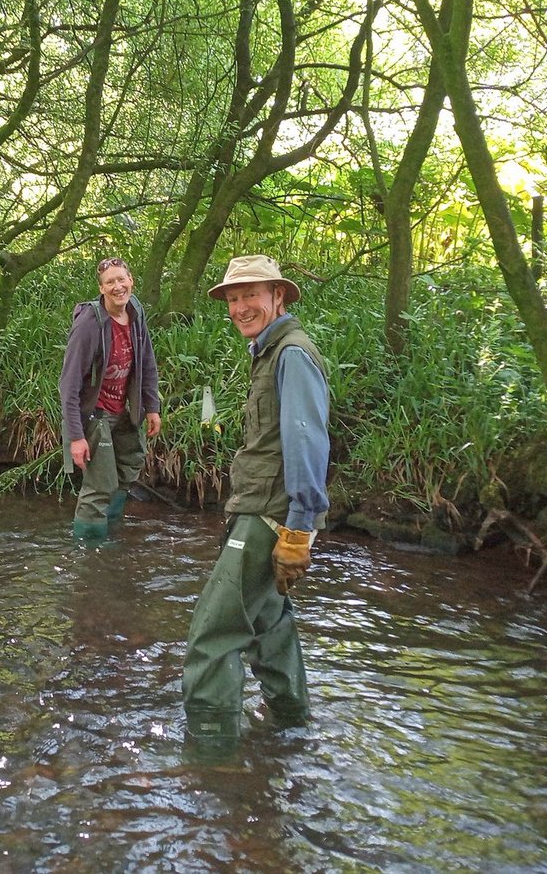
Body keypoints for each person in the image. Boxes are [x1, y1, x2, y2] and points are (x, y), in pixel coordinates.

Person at [182, 254, 330, 749]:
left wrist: (297, 530)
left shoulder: (290, 354)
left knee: (213, 634)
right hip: (262, 509)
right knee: (269, 625)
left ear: (278, 296)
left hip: (270, 516)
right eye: (234, 297)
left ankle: (210, 753)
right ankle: (292, 728)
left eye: (251, 295)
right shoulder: (268, 351)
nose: (241, 306)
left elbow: (306, 441)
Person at [58, 257, 163, 540]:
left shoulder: (135, 311)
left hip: (125, 411)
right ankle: (89, 550)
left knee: (130, 467)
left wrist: (152, 406)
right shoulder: (88, 325)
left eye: (121, 280)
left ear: (131, 281)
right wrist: (76, 437)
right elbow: (68, 385)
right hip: (96, 414)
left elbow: (146, 360)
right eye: (110, 282)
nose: (117, 287)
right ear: (101, 289)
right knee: (100, 484)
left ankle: (109, 529)